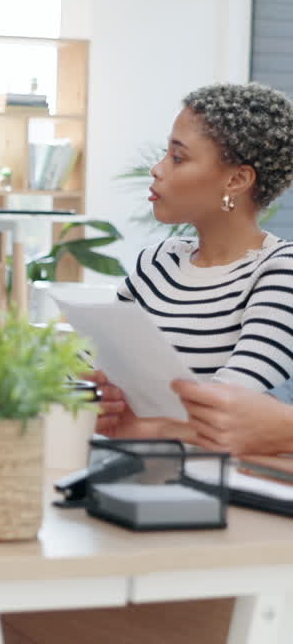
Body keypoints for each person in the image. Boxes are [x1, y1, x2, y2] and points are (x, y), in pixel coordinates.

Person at [94, 82, 293, 441]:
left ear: (237, 179)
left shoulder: (280, 271)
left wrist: (139, 425)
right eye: (164, 154)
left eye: (178, 157)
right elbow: (94, 369)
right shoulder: (156, 263)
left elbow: (227, 409)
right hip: (129, 468)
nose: (156, 169)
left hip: (221, 485)